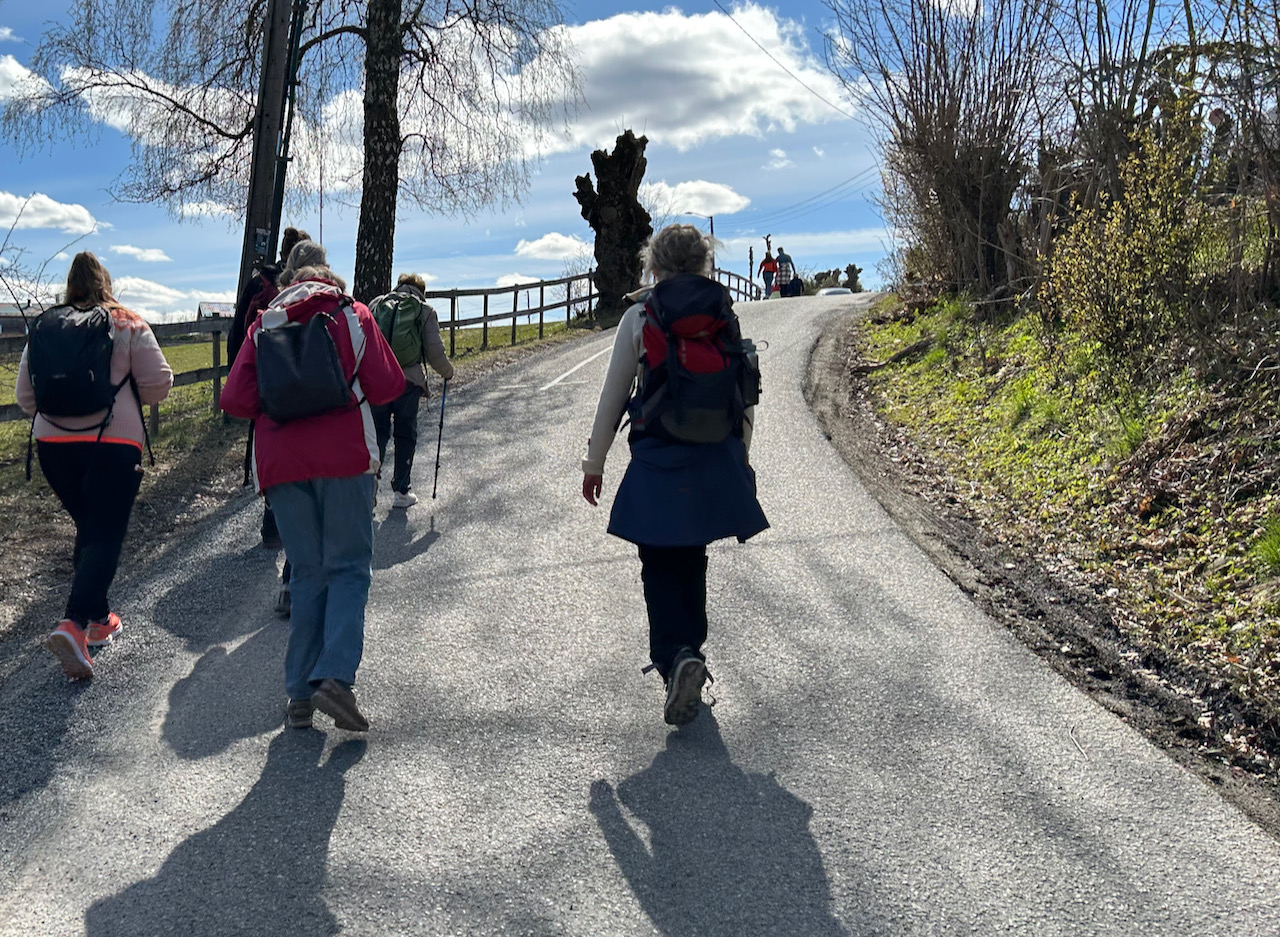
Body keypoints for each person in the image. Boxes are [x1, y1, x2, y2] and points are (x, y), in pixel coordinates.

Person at [581, 224, 768, 726]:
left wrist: (595, 463)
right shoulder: (722, 314)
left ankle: (675, 657)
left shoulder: (641, 315)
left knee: (658, 560)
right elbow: (743, 393)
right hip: (713, 453)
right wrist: (741, 457)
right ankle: (691, 651)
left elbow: (614, 395)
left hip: (658, 456)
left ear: (654, 265)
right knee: (692, 556)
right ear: (704, 262)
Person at [221, 242, 405, 732]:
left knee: (307, 572)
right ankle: (336, 679)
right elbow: (389, 385)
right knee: (349, 567)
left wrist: (282, 401)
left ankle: (300, 692)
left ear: (288, 279)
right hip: (345, 456)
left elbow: (234, 399)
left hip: (282, 464)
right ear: (329, 276)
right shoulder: (352, 314)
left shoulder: (264, 325)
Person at [15, 252, 174, 680]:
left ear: (70, 285)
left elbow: (25, 397)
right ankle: (73, 623)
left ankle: (100, 618)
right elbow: (159, 383)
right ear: (106, 281)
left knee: (90, 526)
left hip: (52, 447)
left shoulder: (46, 326)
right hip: (113, 442)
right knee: (105, 533)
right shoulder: (128, 322)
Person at [368, 273, 454, 509]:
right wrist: (447, 372)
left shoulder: (377, 304)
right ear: (421, 290)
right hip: (409, 381)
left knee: (378, 433)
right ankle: (401, 491)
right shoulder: (424, 310)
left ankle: (370, 486)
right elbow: (435, 352)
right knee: (405, 433)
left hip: (380, 378)